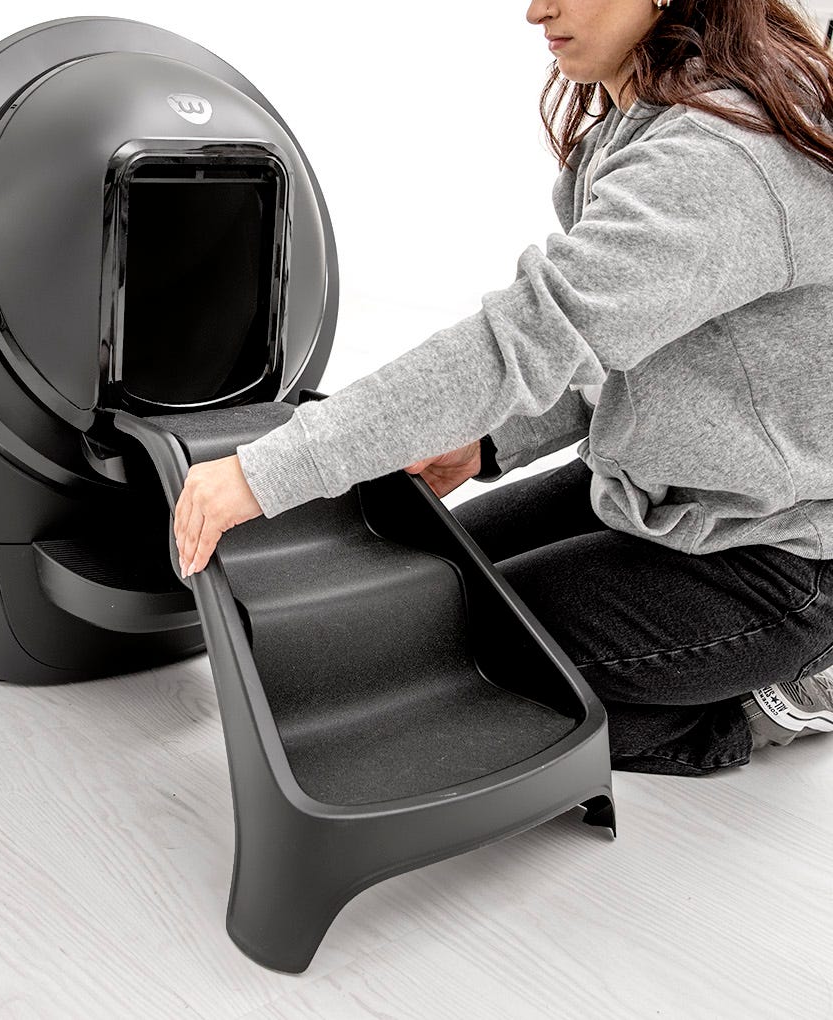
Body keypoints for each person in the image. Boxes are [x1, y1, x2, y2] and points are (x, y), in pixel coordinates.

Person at [171, 0, 833, 776]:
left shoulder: (724, 155)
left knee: (430, 667)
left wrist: (271, 469)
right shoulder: (646, 120)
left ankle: (761, 705)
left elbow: (525, 337)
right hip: (658, 493)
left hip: (775, 558)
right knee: (409, 592)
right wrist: (490, 442)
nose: (535, 10)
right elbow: (623, 345)